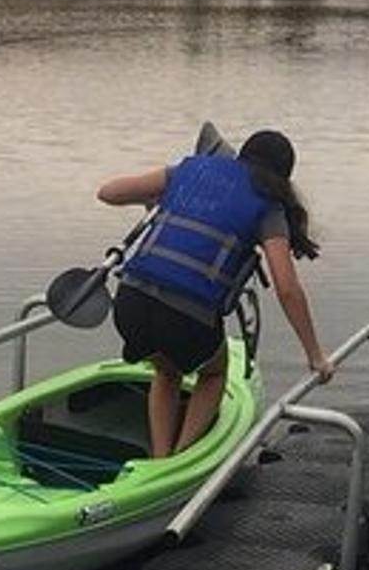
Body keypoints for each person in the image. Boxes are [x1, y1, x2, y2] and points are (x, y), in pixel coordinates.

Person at [97, 130, 334, 457]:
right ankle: (180, 457)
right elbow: (287, 289)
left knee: (167, 371)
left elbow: (108, 193)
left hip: (129, 303)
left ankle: (159, 455)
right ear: (283, 176)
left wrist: (156, 198)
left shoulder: (189, 171)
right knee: (213, 373)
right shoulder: (269, 206)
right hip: (185, 319)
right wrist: (315, 355)